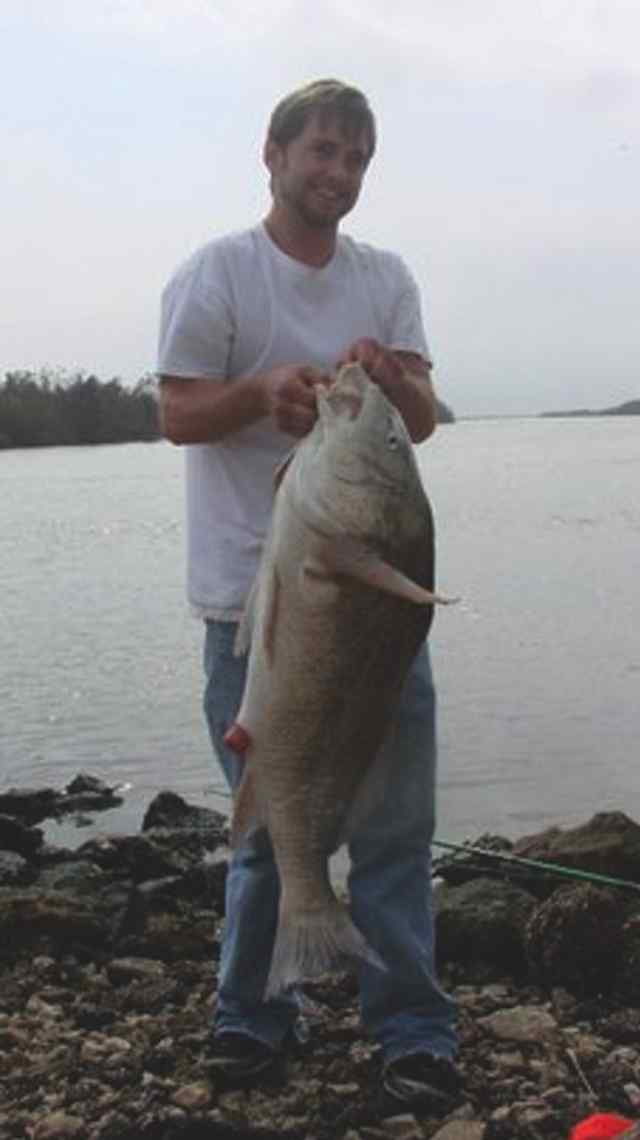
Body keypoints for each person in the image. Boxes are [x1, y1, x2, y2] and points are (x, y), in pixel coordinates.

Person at [157, 78, 458, 1110]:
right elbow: (179, 411)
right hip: (252, 608)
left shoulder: (386, 279)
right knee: (263, 831)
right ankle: (252, 1017)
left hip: (374, 619)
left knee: (393, 835)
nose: (337, 173)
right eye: (321, 150)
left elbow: (415, 416)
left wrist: (388, 377)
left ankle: (411, 1031)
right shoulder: (219, 274)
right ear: (274, 155)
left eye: (356, 158)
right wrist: (257, 394)